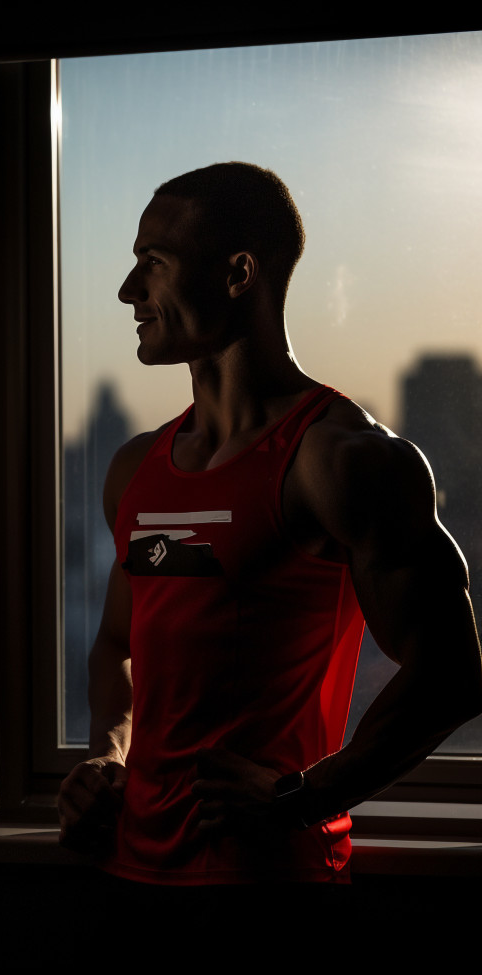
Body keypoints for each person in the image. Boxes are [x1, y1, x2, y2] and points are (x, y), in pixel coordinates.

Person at [56, 163, 482, 939]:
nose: (127, 290)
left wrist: (305, 797)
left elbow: (453, 673)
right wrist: (107, 756)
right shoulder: (135, 469)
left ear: (238, 273)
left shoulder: (342, 458)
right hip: (125, 874)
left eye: (153, 261)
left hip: (268, 890)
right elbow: (116, 648)